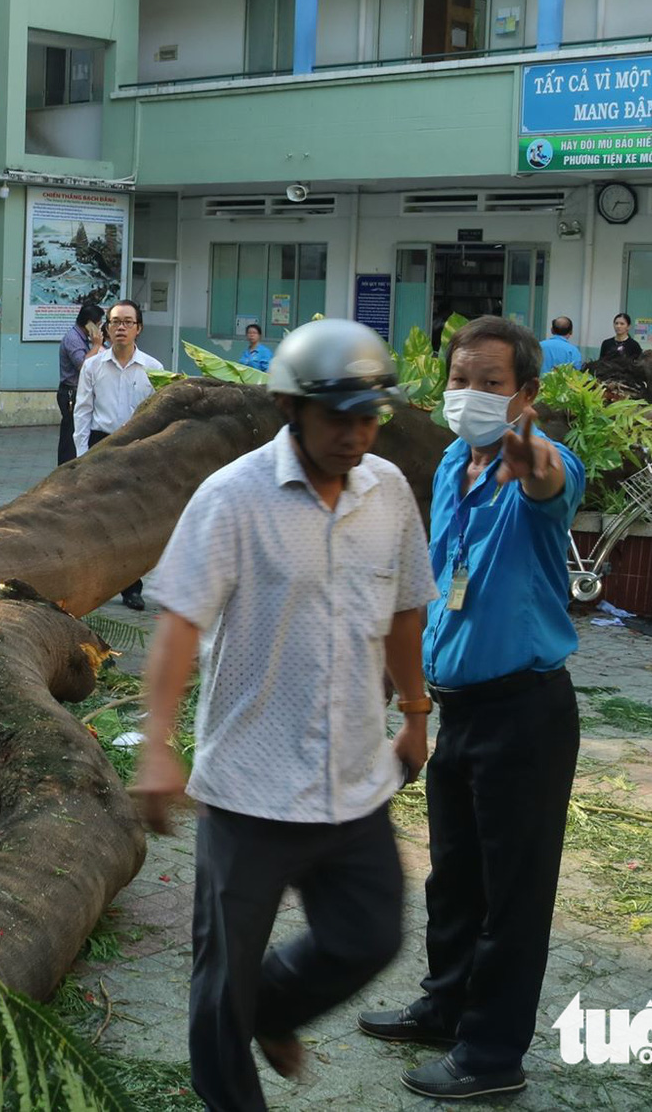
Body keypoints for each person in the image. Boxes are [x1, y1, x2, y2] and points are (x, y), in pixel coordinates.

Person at [131, 318, 439, 1112]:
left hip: (354, 779)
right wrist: (157, 746)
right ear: (291, 407)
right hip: (251, 790)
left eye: (369, 415)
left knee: (371, 936)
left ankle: (280, 1007)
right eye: (339, 416)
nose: (356, 433)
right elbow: (178, 624)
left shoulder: (389, 493)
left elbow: (406, 609)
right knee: (220, 991)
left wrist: (414, 709)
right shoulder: (232, 498)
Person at [357, 316, 586, 1102]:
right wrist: (407, 679)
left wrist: (535, 458)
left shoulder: (542, 470)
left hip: (526, 713)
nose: (471, 395)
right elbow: (438, 582)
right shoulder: (454, 461)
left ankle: (492, 1054)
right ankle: (445, 1005)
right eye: (460, 380)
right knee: (454, 876)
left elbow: (550, 478)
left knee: (513, 894)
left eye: (491, 383)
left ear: (527, 392)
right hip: (457, 710)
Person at [73, 299, 164, 610]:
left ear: (138, 328)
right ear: (106, 329)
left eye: (128, 322)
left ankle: (131, 587)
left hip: (137, 448)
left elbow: (159, 416)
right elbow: (82, 412)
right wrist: (81, 456)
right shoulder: (93, 366)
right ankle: (90, 584)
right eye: (115, 322)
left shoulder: (154, 369)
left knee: (132, 523)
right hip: (101, 445)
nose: (121, 327)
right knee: (95, 518)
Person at [56, 301, 105, 465]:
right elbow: (84, 365)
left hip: (78, 391)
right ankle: (66, 468)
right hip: (71, 393)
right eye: (98, 324)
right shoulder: (73, 339)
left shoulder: (83, 338)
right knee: (70, 436)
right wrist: (96, 345)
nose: (100, 328)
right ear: (89, 324)